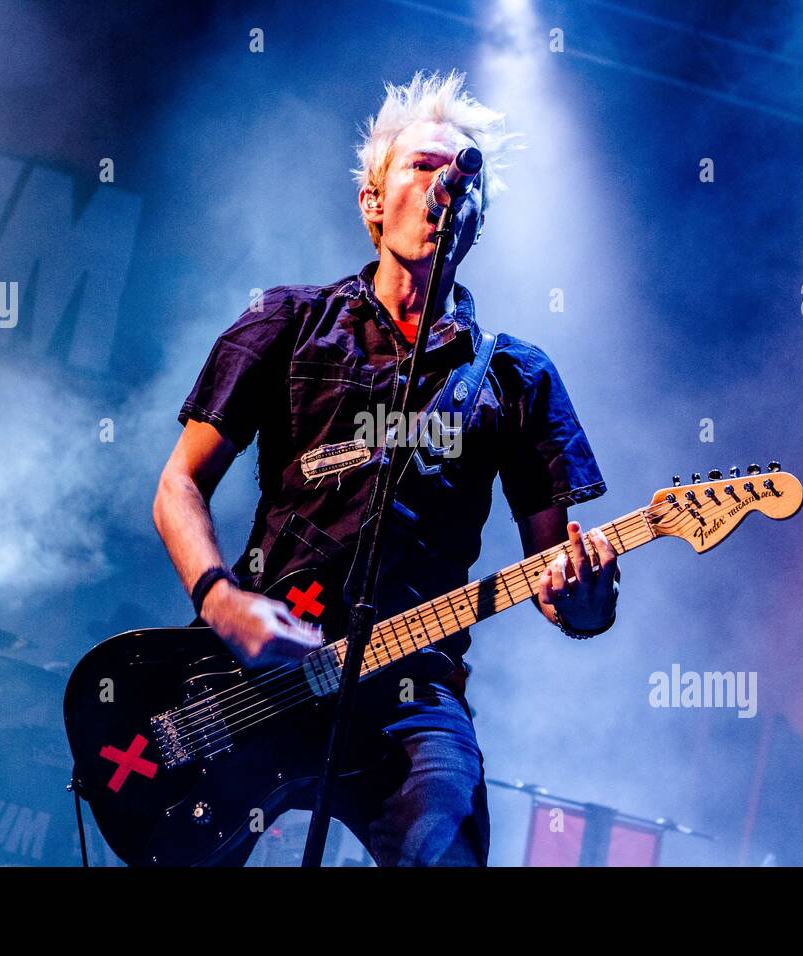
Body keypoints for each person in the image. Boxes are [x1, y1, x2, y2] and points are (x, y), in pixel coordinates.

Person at [153, 70, 619, 866]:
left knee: (446, 849)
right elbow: (180, 485)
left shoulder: (516, 377)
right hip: (257, 667)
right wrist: (221, 601)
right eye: (423, 165)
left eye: (463, 174)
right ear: (373, 202)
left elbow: (559, 580)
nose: (447, 185)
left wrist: (587, 597)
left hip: (412, 688)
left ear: (478, 222)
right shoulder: (289, 321)